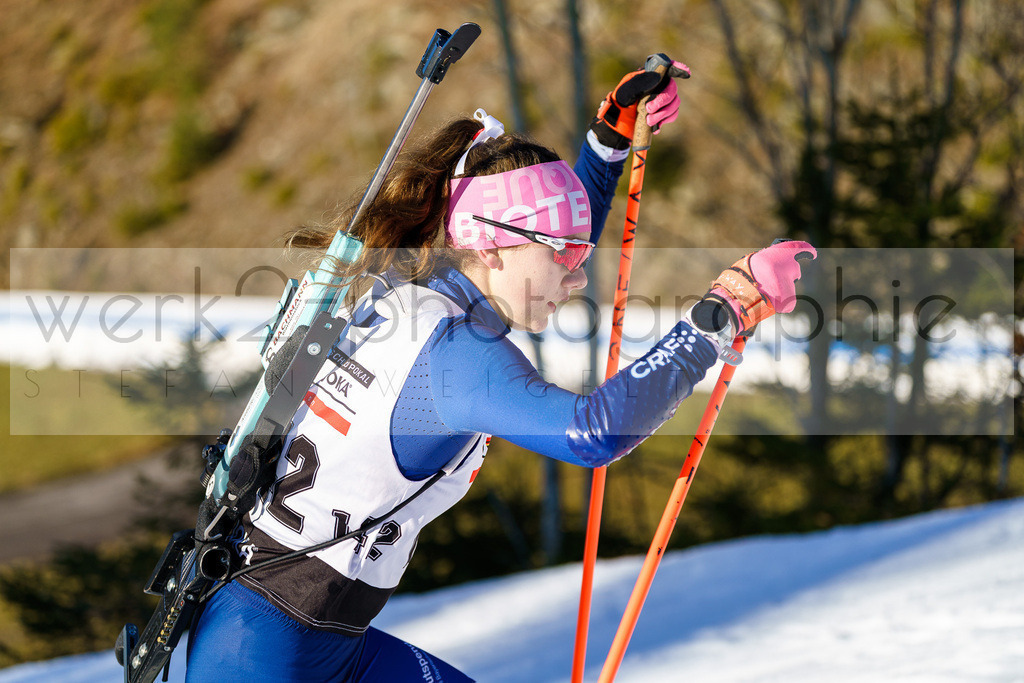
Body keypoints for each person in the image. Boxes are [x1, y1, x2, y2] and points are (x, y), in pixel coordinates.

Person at [184, 61, 815, 682]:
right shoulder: (457, 355)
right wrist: (723, 310)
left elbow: (544, 232)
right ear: (488, 243)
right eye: (565, 257)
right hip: (267, 654)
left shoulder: (411, 287)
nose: (577, 277)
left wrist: (610, 142)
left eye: (583, 255)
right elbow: (591, 435)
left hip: (287, 629)